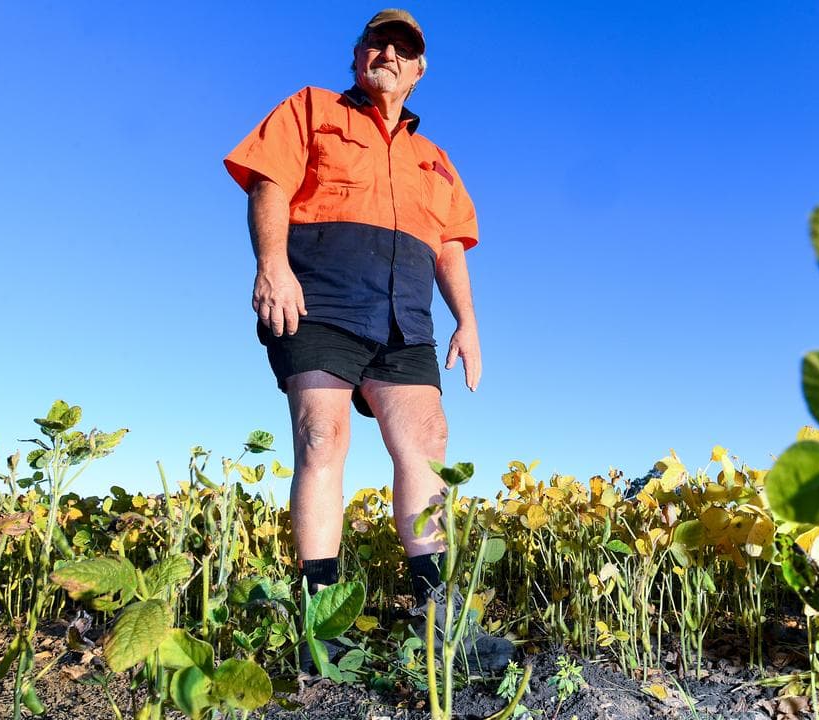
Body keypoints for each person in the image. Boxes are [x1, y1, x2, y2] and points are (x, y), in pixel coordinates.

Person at [223, 8, 512, 673]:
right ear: (358, 56)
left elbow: (448, 246)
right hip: (319, 298)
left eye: (402, 48)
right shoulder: (311, 108)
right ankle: (319, 624)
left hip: (405, 316)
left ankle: (439, 619)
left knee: (428, 444)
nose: (388, 53)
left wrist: (468, 321)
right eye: (377, 42)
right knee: (323, 438)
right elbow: (269, 183)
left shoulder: (434, 158)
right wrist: (272, 266)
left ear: (418, 70)